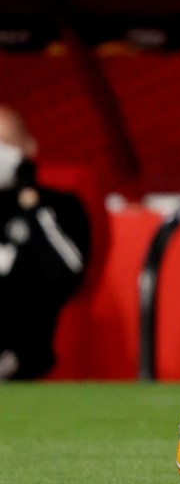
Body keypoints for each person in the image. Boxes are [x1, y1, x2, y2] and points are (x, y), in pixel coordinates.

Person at [0, 105, 91, 381]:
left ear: (28, 147)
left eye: (6, 142)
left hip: (24, 360)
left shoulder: (59, 206)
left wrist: (31, 202)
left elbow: (67, 271)